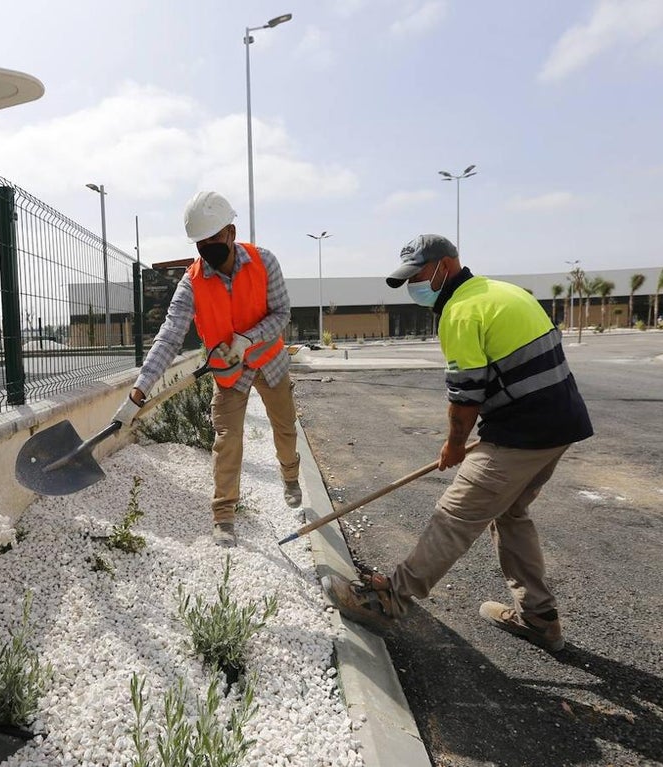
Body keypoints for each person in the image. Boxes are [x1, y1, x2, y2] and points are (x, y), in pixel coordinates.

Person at [321, 234, 593, 651]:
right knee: (512, 514)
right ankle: (538, 617)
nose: (414, 285)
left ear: (444, 266)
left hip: (522, 434)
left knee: (455, 515)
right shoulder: (501, 292)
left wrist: (453, 445)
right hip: (559, 427)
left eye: (418, 275)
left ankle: (389, 599)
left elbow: (465, 398)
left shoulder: (462, 312)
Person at [112, 191, 302, 548]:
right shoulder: (192, 282)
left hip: (270, 361)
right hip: (229, 373)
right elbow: (169, 337)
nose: (208, 247)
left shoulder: (265, 262)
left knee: (285, 429)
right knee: (227, 441)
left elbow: (281, 314)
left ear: (230, 232)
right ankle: (224, 515)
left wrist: (247, 338)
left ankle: (290, 477)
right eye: (201, 241)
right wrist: (138, 392)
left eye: (214, 238)